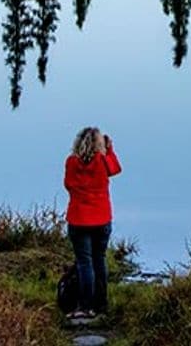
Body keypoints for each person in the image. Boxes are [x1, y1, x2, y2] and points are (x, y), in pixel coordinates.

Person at [63, 126, 121, 319]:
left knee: (84, 263)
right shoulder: (102, 160)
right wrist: (110, 150)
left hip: (79, 219)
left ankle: (85, 306)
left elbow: (68, 185)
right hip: (102, 218)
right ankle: (101, 305)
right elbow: (116, 169)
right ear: (99, 144)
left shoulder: (71, 162)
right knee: (99, 260)